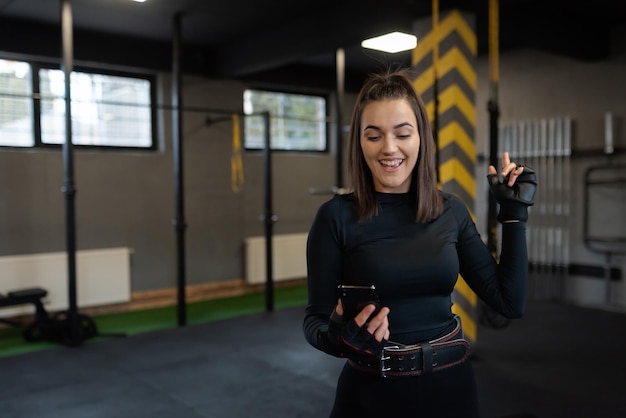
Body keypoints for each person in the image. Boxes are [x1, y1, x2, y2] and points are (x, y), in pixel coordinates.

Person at [302, 68, 537, 417]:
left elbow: (509, 302)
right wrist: (337, 337)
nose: (389, 148)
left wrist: (514, 215)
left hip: (451, 388)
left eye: (402, 133)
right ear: (359, 143)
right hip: (371, 394)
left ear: (421, 138)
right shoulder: (335, 217)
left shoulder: (451, 211)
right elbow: (315, 320)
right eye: (373, 136)